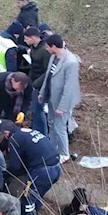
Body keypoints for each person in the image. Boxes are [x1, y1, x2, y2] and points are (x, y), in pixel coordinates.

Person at [0, 121, 61, 215]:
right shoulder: (26, 132)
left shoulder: (14, 139)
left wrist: (5, 175)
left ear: (6, 133)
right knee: (37, 196)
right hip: (57, 168)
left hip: (42, 171)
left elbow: (15, 166)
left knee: (27, 199)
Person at [38, 34, 80, 164]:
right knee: (51, 123)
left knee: (60, 127)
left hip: (62, 101)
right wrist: (42, 92)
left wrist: (62, 107)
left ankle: (64, 153)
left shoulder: (71, 62)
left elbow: (69, 88)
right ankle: (52, 148)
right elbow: (48, 76)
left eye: (47, 46)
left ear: (54, 47)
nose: (46, 49)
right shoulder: (53, 57)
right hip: (51, 98)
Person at [23, 27, 51, 135]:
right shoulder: (33, 48)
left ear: (34, 38)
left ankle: (42, 133)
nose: (25, 41)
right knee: (34, 109)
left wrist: (35, 84)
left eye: (26, 38)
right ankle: (36, 130)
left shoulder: (44, 51)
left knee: (38, 110)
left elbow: (47, 72)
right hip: (34, 81)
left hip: (41, 85)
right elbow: (34, 66)